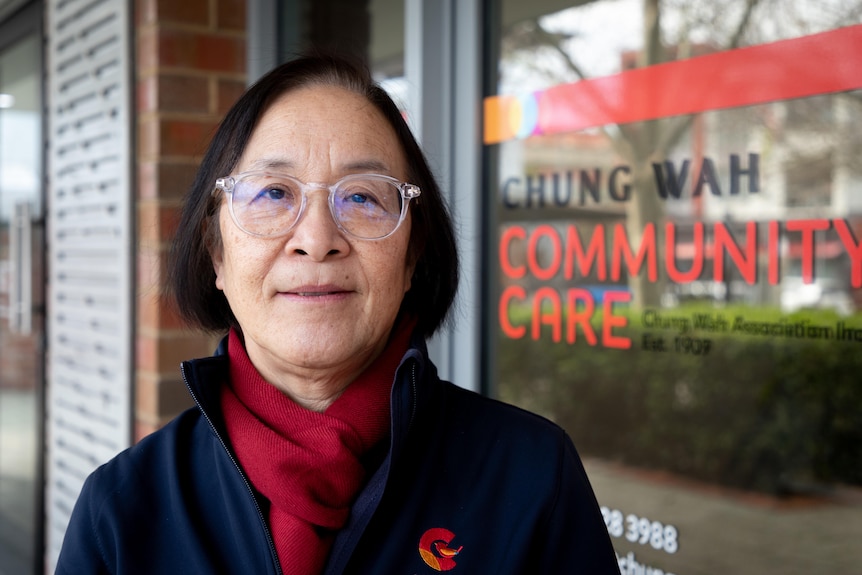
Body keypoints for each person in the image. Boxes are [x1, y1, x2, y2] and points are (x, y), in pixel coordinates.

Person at [56, 53, 621, 575]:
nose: (316, 239)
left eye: (362, 197)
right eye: (273, 193)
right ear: (216, 254)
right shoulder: (121, 511)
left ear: (410, 259)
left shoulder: (531, 478)